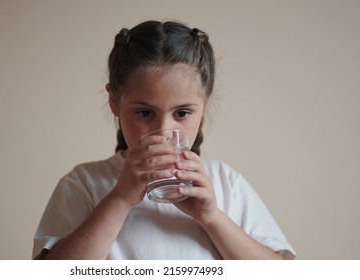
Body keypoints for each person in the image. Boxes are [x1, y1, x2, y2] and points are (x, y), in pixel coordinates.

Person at [32, 20, 295, 260]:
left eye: (182, 113)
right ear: (114, 102)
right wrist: (120, 199)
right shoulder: (84, 183)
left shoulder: (226, 184)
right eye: (145, 113)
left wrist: (212, 218)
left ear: (204, 107)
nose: (164, 131)